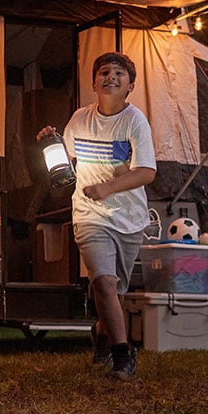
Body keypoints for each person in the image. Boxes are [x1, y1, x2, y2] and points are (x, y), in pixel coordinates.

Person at [38, 52, 156, 379]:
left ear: (130, 86)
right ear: (94, 82)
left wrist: (110, 187)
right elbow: (65, 161)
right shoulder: (79, 120)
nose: (111, 77)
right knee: (103, 283)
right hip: (89, 215)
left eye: (120, 73)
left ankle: (102, 337)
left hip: (129, 219)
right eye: (104, 72)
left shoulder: (135, 121)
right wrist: (50, 140)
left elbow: (147, 173)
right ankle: (123, 353)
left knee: (113, 294)